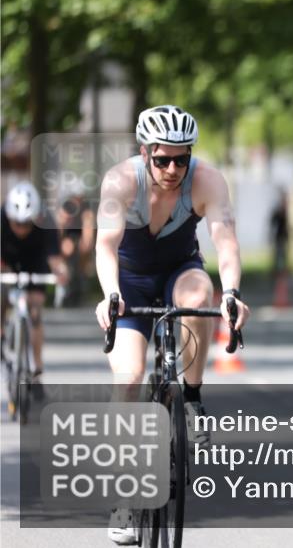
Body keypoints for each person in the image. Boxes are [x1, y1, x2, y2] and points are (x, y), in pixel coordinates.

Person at [93, 105, 250, 545]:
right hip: (130, 281)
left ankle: (193, 396)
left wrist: (233, 292)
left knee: (202, 299)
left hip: (182, 270)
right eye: (163, 159)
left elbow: (225, 242)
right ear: (144, 154)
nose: (173, 168)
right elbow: (105, 245)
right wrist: (110, 294)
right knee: (128, 378)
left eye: (182, 158)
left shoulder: (207, 181)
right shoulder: (120, 182)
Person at [0, 182, 67, 386]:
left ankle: (37, 367)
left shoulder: (46, 220)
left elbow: (55, 259)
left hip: (36, 262)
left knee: (35, 310)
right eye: (17, 224)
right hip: (6, 261)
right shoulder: (2, 218)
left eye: (27, 224)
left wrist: (61, 274)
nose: (21, 229)